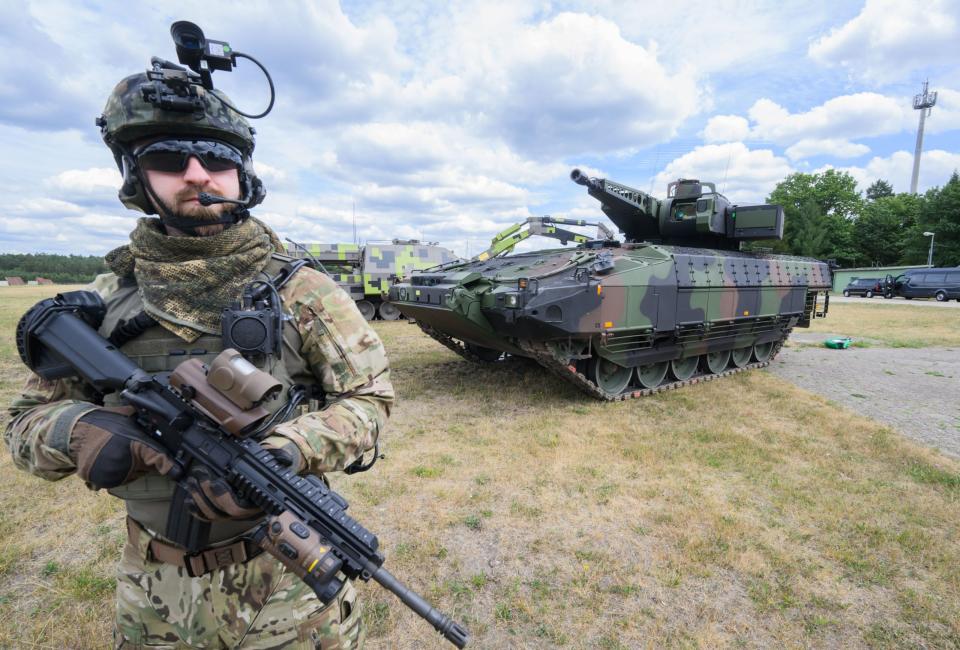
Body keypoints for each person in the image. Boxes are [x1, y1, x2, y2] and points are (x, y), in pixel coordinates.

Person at [4, 68, 394, 649]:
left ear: (242, 174)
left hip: (287, 589)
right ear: (136, 174)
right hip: (154, 591)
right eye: (167, 158)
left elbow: (369, 403)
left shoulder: (301, 289)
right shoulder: (108, 298)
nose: (196, 174)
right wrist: (84, 430)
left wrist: (287, 450)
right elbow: (24, 426)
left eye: (215, 158)